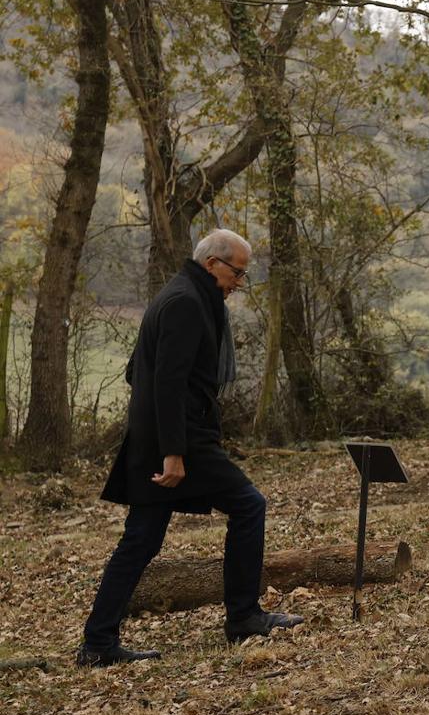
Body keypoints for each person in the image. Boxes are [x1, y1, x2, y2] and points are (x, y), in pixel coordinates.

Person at [77, 230, 301, 667]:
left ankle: (98, 643)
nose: (239, 282)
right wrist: (174, 451)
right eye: (237, 271)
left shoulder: (185, 295)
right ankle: (243, 617)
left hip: (163, 437)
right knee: (249, 505)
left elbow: (135, 371)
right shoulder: (185, 302)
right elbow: (167, 381)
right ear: (212, 263)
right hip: (178, 441)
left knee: (141, 540)